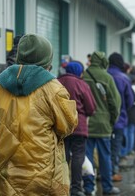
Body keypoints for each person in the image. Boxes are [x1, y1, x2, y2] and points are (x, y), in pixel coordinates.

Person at [0, 34, 78, 196]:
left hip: (6, 170)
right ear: (47, 59)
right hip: (43, 170)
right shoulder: (53, 88)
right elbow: (68, 125)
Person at [82, 51, 121, 196]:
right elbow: (115, 103)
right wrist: (112, 121)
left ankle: (88, 187)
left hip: (87, 123)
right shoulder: (107, 77)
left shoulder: (84, 76)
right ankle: (107, 187)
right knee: (105, 156)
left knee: (87, 156)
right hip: (104, 124)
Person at [58, 61, 96, 196]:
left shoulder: (57, 82)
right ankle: (76, 188)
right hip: (79, 126)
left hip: (61, 125)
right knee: (78, 156)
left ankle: (62, 187)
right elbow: (91, 108)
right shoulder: (81, 84)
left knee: (63, 156)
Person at [107, 53, 134, 181]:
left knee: (104, 147)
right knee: (115, 146)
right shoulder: (123, 78)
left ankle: (103, 172)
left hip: (103, 119)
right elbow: (130, 100)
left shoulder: (104, 75)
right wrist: (122, 110)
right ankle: (113, 172)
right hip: (119, 119)